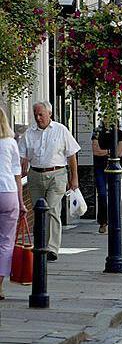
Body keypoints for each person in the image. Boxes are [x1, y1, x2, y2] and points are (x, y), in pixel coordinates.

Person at [18, 101, 80, 260]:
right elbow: (22, 156)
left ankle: (52, 248)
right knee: (39, 211)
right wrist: (22, 164)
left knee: (52, 209)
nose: (38, 118)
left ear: (49, 114)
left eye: (41, 115)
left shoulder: (61, 130)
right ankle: (40, 245)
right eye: (36, 115)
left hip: (57, 174)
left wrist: (74, 178)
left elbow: (71, 155)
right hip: (35, 175)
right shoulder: (29, 133)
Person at [0, 108, 25, 300]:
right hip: (8, 193)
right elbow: (17, 173)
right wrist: (21, 201)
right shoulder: (10, 143)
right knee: (6, 242)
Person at [91, 122, 122, 235]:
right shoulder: (97, 132)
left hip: (114, 167)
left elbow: (119, 152)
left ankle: (114, 221)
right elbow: (96, 151)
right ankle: (103, 222)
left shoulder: (119, 133)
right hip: (100, 167)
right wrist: (110, 151)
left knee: (114, 195)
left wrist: (104, 152)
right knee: (102, 194)